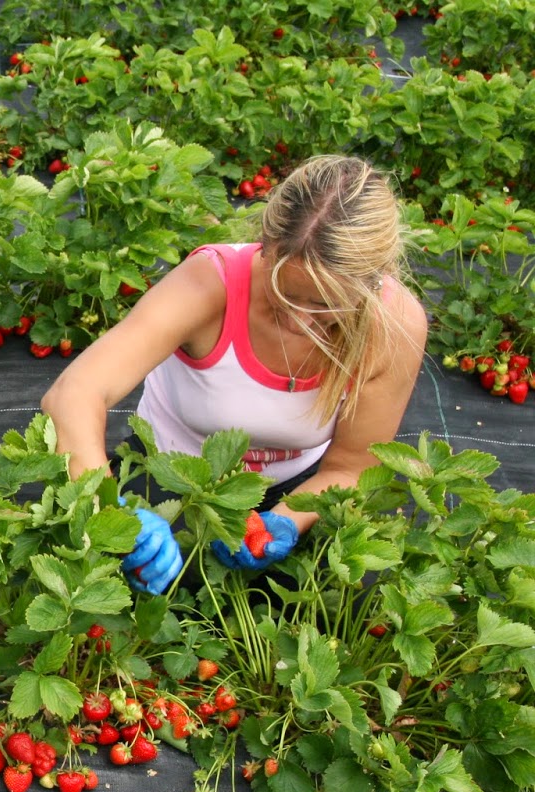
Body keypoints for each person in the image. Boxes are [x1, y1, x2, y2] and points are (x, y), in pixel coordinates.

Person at [39, 154, 429, 594]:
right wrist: (109, 511)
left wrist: (285, 521)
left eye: (325, 307)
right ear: (265, 245)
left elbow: (350, 465)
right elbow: (74, 392)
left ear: (375, 282)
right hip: (172, 472)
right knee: (117, 590)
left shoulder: (394, 325)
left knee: (339, 602)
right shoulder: (211, 284)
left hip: (298, 483)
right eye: (286, 295)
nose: (301, 321)